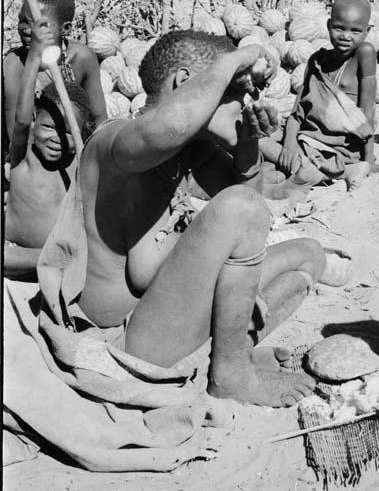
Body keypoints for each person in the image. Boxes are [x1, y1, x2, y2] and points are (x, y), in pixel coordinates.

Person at [39, 29, 331, 409]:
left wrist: (247, 145)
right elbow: (174, 129)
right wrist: (235, 60)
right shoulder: (115, 143)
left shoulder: (190, 152)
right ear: (183, 84)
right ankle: (230, 374)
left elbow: (254, 206)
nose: (245, 105)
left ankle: (230, 351)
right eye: (237, 93)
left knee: (308, 255)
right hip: (123, 344)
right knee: (239, 208)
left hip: (165, 320)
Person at [261, 0, 379, 202]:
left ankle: (331, 170)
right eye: (339, 27)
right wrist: (289, 143)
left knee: (262, 147)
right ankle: (299, 171)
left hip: (337, 149)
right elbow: (298, 113)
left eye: (356, 30)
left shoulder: (364, 54)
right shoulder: (317, 61)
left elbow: (366, 114)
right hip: (306, 138)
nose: (346, 36)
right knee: (261, 145)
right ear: (328, 25)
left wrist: (368, 161)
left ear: (367, 32)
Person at [5, 18, 90, 280]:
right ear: (33, 125)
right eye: (49, 128)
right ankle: (50, 258)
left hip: (63, 272)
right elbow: (20, 116)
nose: (57, 139)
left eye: (67, 133)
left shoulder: (82, 163)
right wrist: (34, 56)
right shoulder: (23, 157)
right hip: (16, 259)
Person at [3, 0, 106, 147]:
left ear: (65, 29)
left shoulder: (82, 58)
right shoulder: (14, 65)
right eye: (23, 21)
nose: (28, 30)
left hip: (72, 145)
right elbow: (17, 133)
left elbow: (99, 118)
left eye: (40, 25)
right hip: (31, 152)